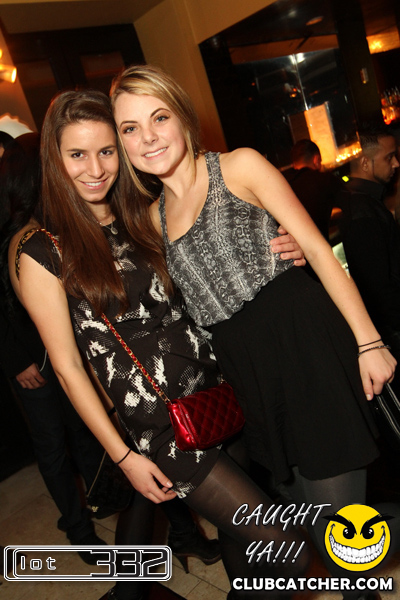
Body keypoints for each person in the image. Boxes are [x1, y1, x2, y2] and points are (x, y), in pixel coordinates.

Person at [110, 64, 396, 600]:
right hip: (246, 375)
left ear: (183, 118)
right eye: (130, 128)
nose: (147, 137)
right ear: (122, 144)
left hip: (304, 344)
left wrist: (369, 341)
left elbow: (317, 250)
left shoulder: (238, 166)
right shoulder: (149, 220)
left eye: (159, 117)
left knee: (346, 533)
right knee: (307, 526)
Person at [12, 89, 310, 600]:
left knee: (243, 546)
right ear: (54, 161)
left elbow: (216, 266)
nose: (95, 169)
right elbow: (67, 368)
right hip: (161, 424)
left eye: (107, 151)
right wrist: (123, 457)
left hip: (217, 390)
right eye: (77, 154)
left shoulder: (145, 216)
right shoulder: (43, 251)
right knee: (291, 552)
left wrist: (287, 245)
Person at [0, 132, 107, 561]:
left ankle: (101, 498)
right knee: (51, 443)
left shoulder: (49, 218)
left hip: (64, 347)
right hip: (30, 356)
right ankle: (78, 529)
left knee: (81, 429)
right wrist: (16, 360)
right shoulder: (11, 229)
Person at [338, 126, 400, 391]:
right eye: (389, 157)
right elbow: (377, 286)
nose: (396, 163)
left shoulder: (363, 201)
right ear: (365, 162)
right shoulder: (362, 209)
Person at [284, 139, 344, 241]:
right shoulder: (325, 180)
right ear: (316, 160)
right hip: (319, 244)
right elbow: (349, 205)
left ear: (294, 164)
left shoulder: (284, 184)